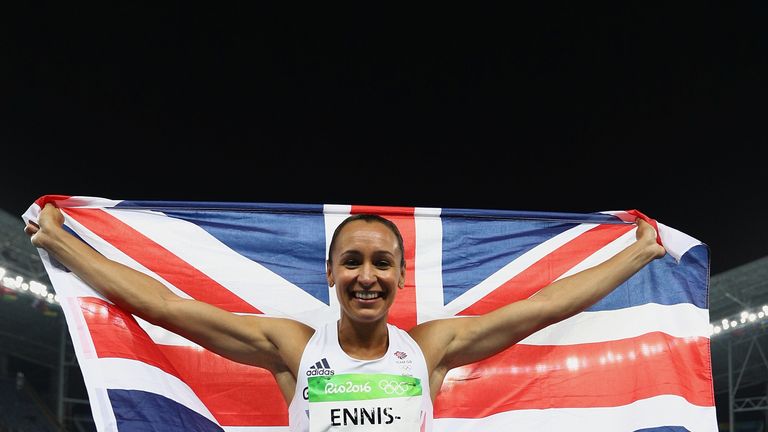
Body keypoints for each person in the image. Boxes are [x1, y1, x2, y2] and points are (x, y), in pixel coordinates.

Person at [25, 203, 666, 431]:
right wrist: (62, 244)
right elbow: (164, 305)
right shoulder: (294, 348)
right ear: (329, 274)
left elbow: (545, 306)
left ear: (400, 277)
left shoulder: (431, 348)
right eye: (352, 262)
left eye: (382, 264)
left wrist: (639, 252)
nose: (367, 276)